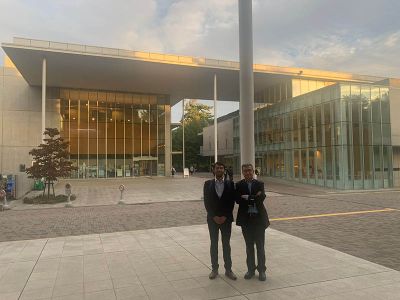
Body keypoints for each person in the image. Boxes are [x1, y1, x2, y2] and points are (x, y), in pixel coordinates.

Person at [235, 163, 270, 281]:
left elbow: (261, 198)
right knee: (249, 246)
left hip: (258, 219)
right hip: (246, 220)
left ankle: (261, 271)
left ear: (253, 171)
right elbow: (238, 200)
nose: (248, 172)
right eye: (245, 171)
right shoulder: (239, 185)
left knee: (260, 246)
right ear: (242, 172)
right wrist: (254, 197)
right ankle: (250, 269)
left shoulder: (259, 184)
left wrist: (247, 197)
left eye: (250, 170)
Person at [203, 162, 237, 281]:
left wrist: (225, 216)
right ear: (214, 170)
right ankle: (214, 269)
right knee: (214, 244)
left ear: (224, 170)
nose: (219, 169)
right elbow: (207, 202)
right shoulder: (207, 184)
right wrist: (214, 216)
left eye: (221, 168)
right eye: (217, 168)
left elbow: (231, 203)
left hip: (226, 219)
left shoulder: (230, 184)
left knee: (226, 244)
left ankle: (228, 269)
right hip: (212, 219)